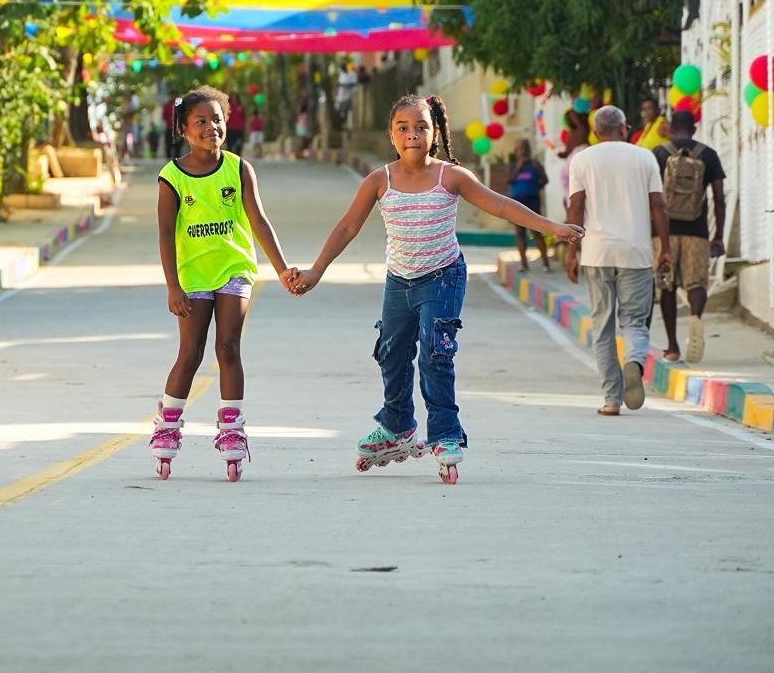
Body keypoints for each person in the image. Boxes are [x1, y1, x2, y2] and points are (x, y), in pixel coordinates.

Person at [287, 95, 583, 484]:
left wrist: (553, 228)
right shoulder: (379, 181)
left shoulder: (451, 177)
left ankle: (444, 434)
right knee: (391, 354)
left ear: (436, 132)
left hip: (443, 276)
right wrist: (317, 270)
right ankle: (397, 426)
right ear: (391, 135)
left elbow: (502, 206)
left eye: (421, 127)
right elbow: (346, 228)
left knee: (434, 353)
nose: (413, 135)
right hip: (399, 280)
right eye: (403, 128)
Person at [149, 86, 295, 482]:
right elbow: (165, 234)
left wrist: (281, 268)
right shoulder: (172, 177)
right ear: (183, 128)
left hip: (234, 269)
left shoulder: (239, 168)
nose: (210, 127)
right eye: (200, 121)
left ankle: (231, 429)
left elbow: (259, 220)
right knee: (191, 352)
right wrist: (173, 286)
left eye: (217, 120)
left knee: (228, 346)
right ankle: (168, 421)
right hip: (192, 276)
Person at [566, 106, 672, 416]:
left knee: (603, 325)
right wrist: (665, 248)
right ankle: (634, 362)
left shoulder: (583, 160)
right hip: (635, 252)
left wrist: (572, 252)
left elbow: (576, 206)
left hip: (597, 252)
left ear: (596, 132)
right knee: (634, 321)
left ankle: (611, 400)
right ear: (625, 129)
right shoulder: (644, 157)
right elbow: (659, 206)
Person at [651, 110, 726, 363]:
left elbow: (650, 197)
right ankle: (695, 316)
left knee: (667, 285)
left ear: (671, 129)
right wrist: (718, 237)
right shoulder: (708, 154)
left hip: (664, 232)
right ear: (694, 129)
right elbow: (719, 198)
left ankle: (672, 347)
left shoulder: (659, 153)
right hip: (697, 230)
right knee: (696, 283)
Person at [508, 139, 551, 272]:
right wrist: (519, 167)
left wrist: (535, 188)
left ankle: (546, 264)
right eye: (518, 149)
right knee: (519, 232)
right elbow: (509, 180)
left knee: (536, 231)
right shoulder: (514, 166)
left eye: (523, 148)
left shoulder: (535, 164)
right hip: (517, 203)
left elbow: (545, 179)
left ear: (527, 150)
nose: (520, 151)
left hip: (532, 202)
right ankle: (524, 263)